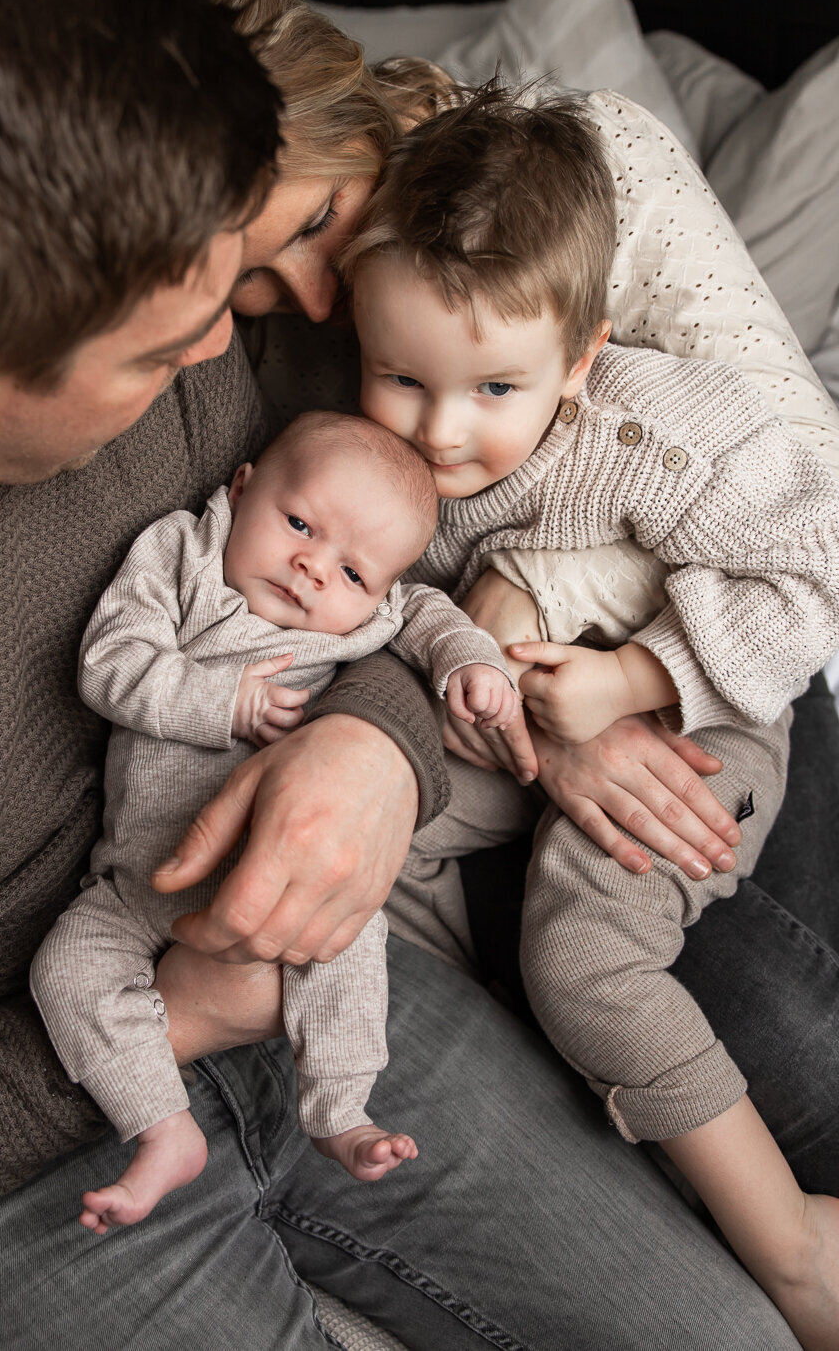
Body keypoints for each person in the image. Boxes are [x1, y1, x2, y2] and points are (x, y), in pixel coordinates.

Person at [0, 0, 801, 1351]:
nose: (239, 335)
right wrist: (167, 1021)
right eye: (172, 336)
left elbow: (400, 556)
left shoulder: (195, 334)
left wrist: (377, 749)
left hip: (328, 981)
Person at [150, 0, 839, 1203]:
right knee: (589, 1006)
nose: (306, 298)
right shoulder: (258, 351)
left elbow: (796, 481)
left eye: (313, 222)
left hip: (710, 659)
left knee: (792, 1047)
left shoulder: (581, 171)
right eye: (253, 277)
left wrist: (568, 639)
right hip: (488, 722)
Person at [343, 83, 839, 1347]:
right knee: (377, 841)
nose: (442, 434)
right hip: (519, 724)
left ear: (579, 360)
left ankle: (793, 1254)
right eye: (400, 377)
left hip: (704, 714)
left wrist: (635, 679)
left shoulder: (664, 434)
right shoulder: (382, 439)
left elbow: (816, 566)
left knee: (584, 959)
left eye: (494, 390)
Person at [31, 410, 512, 1229]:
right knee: (64, 971)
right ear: (242, 488)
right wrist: (226, 700)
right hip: (136, 885)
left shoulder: (375, 616)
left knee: (349, 941)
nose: (312, 570)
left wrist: (473, 661)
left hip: (288, 872)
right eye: (299, 524)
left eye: (354, 574)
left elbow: (430, 614)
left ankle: (340, 1109)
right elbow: (109, 663)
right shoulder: (180, 554)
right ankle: (161, 1124)